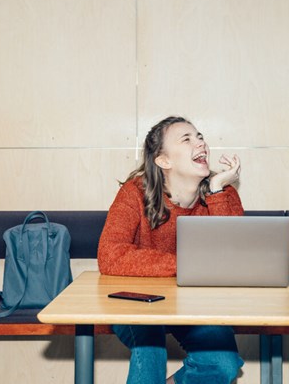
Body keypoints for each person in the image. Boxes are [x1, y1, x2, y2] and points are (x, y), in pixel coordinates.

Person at [98, 116, 244, 384]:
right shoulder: (135, 193)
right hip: (136, 301)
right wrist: (185, 265)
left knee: (222, 363)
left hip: (194, 304)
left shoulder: (221, 193)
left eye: (199, 136)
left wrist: (215, 192)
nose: (200, 142)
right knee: (150, 347)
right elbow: (110, 255)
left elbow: (233, 258)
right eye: (186, 139)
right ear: (164, 161)